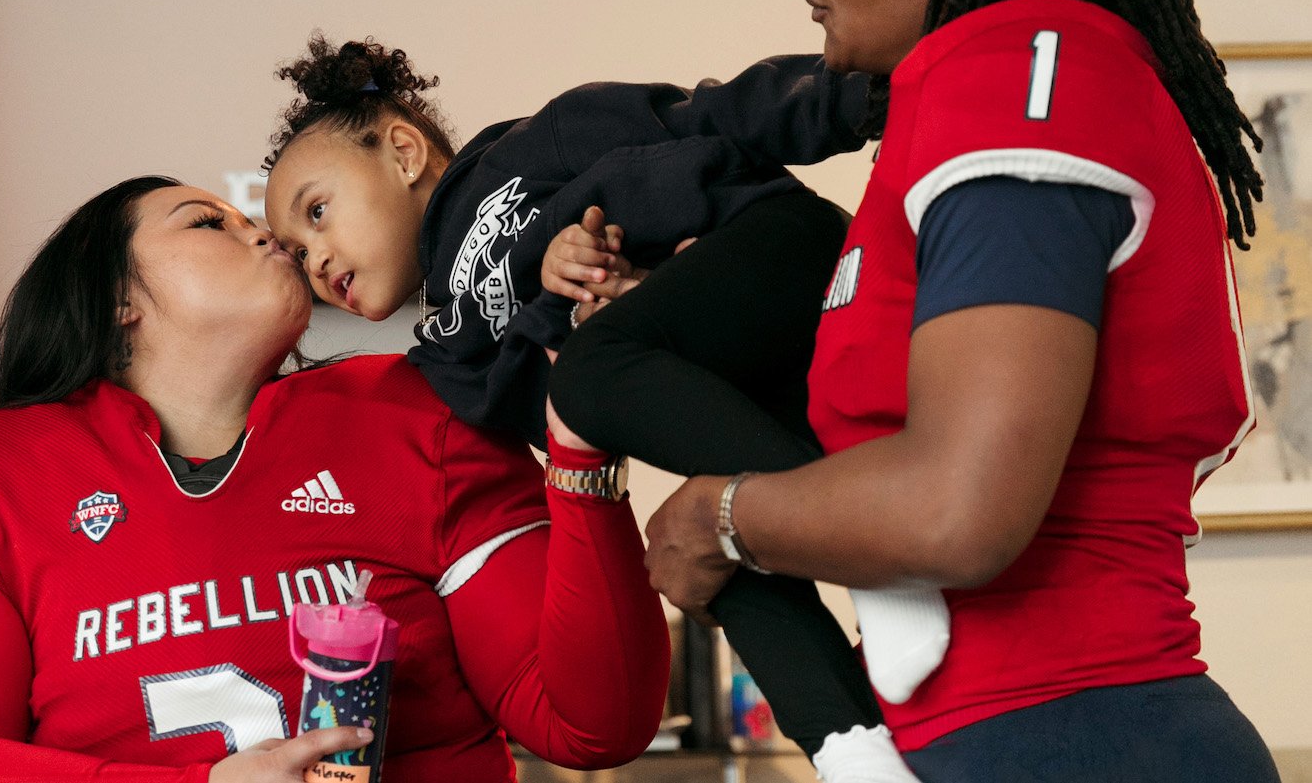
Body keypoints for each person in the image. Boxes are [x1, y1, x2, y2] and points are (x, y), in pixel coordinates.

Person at [641, 0, 1282, 783]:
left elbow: (957, 507)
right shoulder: (1004, 99)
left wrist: (725, 518)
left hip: (1068, 736)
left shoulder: (1024, 85)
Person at [260, 43, 935, 781]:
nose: (315, 257)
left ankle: (878, 557)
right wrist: (571, 304)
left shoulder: (536, 145)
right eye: (296, 251)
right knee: (699, 547)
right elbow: (558, 414)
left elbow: (712, 113)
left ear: (402, 149)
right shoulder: (447, 353)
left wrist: (864, 101)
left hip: (770, 254)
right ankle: (848, 747)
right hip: (732, 393)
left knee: (595, 380)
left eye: (317, 212)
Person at [0, 176, 670, 783]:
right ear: (116, 296)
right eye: (209, 221)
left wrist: (580, 453)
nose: (267, 237)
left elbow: (594, 723)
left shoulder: (417, 412)